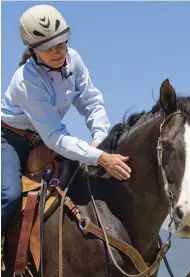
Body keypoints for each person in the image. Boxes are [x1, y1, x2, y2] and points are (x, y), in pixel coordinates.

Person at [1, 4, 131, 233]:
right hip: (9, 140)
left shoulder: (74, 60)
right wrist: (100, 158)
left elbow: (91, 101)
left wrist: (102, 139)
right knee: (9, 196)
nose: (58, 52)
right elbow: (55, 136)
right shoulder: (26, 80)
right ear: (32, 49)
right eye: (48, 47)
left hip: (43, 140)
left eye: (61, 43)